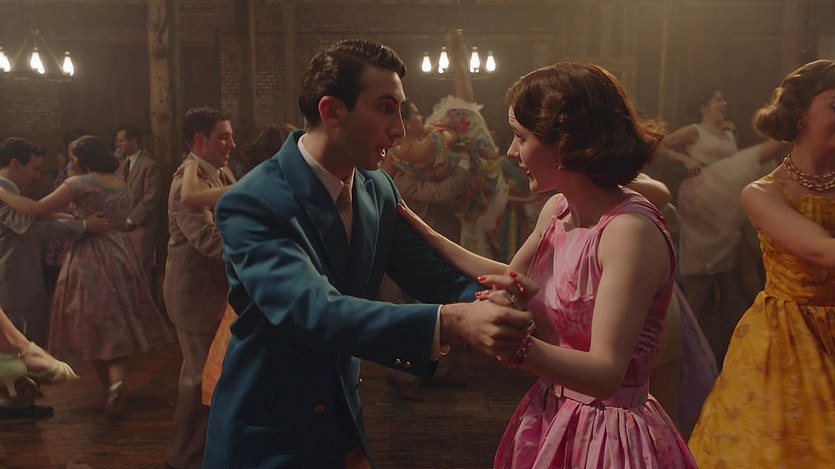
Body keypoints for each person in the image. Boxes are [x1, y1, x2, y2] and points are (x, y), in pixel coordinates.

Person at [203, 39, 532, 468]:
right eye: (385, 109)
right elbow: (314, 310)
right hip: (268, 433)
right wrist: (452, 322)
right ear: (331, 112)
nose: (400, 130)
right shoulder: (252, 201)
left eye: (400, 110)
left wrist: (489, 301)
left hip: (343, 422)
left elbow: (427, 272)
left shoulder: (375, 185)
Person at [400, 62, 696, 467]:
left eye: (521, 137)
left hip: (609, 432)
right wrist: (421, 230)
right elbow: (510, 277)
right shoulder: (558, 208)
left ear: (568, 141)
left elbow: (605, 373)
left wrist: (513, 344)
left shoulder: (629, 231)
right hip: (555, 412)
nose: (510, 152)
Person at [688, 59, 835, 467]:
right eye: (834, 106)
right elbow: (820, 251)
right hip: (788, 338)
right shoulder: (762, 193)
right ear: (800, 115)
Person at [0, 135, 171, 418]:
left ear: (81, 159)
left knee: (92, 323)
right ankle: (114, 386)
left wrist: (4, 194)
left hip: (88, 258)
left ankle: (110, 388)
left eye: (71, 158)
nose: (68, 165)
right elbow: (44, 221)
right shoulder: (120, 182)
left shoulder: (78, 183)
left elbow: (37, 211)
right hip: (120, 254)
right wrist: (78, 223)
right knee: (117, 322)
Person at [660, 88, 789, 363]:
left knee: (736, 266)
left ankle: (753, 332)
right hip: (704, 195)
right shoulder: (695, 130)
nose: (724, 103)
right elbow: (660, 145)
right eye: (718, 100)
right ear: (704, 107)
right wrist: (685, 158)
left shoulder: (729, 132)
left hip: (725, 198)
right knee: (703, 275)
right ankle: (679, 345)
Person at [0, 137, 108, 419]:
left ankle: (19, 402)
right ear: (14, 164)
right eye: (34, 168)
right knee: (18, 343)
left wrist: (64, 218)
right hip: (12, 279)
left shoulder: (9, 192)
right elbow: (31, 227)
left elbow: (34, 219)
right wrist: (82, 226)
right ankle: (13, 405)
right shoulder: (2, 192)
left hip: (17, 275)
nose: (38, 175)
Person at [384, 28, 503, 254]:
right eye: (416, 114)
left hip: (446, 213)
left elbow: (384, 179)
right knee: (464, 109)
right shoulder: (431, 143)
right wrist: (458, 143)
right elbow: (445, 188)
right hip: (445, 216)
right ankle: (457, 55)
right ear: (406, 122)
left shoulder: (393, 154)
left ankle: (456, 55)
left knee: (462, 107)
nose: (421, 116)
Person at [163, 107, 237, 469]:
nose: (231, 144)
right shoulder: (185, 183)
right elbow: (210, 242)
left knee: (211, 376)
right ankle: (183, 459)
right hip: (195, 295)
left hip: (214, 291)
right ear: (199, 140)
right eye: (223, 137)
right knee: (197, 380)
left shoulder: (219, 171)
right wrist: (262, 250)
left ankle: (205, 453)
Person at [115, 125, 163, 285]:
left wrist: (132, 220)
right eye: (117, 141)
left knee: (140, 272)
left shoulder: (149, 165)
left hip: (141, 227)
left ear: (134, 141)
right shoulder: (121, 164)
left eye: (121, 141)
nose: (118, 145)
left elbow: (151, 197)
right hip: (122, 227)